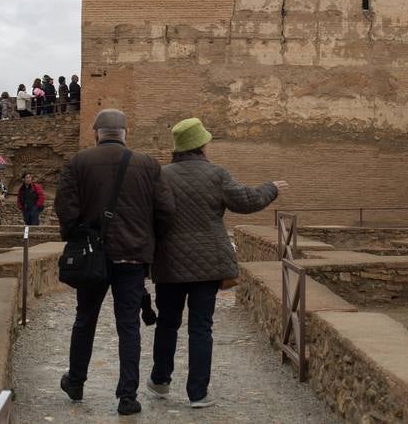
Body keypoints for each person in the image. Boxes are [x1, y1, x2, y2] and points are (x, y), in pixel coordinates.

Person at [147, 118, 284, 408]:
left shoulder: (162, 176)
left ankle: (160, 380)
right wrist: (271, 187)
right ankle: (198, 393)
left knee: (167, 323)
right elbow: (247, 200)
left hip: (169, 263)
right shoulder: (216, 174)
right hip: (208, 264)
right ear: (201, 145)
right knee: (201, 327)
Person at [55, 109, 175, 417]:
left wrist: (79, 235)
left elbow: (65, 210)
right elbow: (165, 211)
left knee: (85, 319)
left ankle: (77, 381)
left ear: (96, 132)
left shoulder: (77, 162)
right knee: (129, 326)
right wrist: (148, 239)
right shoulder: (149, 165)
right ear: (126, 132)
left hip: (91, 257)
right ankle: (127, 396)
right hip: (133, 256)